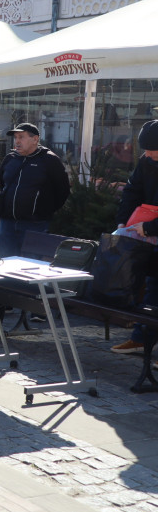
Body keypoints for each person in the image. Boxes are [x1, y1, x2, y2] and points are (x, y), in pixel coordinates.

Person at [111, 120, 158, 355]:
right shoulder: (147, 162)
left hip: (150, 229)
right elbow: (131, 191)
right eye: (146, 149)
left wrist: (150, 227)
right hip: (147, 232)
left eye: (152, 149)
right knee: (151, 288)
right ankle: (142, 338)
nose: (148, 154)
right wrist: (122, 221)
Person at [0, 123, 71, 257]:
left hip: (34, 225)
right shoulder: (10, 159)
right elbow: (3, 184)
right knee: (5, 267)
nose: (17, 141)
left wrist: (42, 211)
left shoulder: (49, 160)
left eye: (21, 137)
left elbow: (63, 190)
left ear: (35, 139)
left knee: (29, 268)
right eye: (15, 137)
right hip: (7, 224)